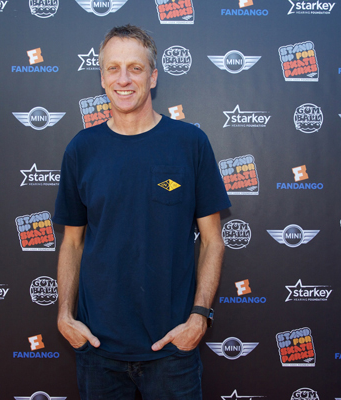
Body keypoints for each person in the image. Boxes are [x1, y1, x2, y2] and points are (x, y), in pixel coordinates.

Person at [53, 25, 231, 399]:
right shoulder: (81, 149)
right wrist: (65, 316)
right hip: (98, 350)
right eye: (113, 68)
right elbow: (71, 243)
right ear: (102, 77)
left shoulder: (190, 143)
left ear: (153, 77)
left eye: (135, 68)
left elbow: (213, 241)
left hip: (172, 350)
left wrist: (199, 317)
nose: (123, 79)